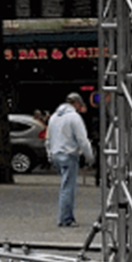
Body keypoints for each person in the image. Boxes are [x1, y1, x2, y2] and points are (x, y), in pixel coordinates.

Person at [45, 93, 94, 227]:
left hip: (56, 154)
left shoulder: (54, 117)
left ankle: (65, 216)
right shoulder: (74, 117)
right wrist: (90, 156)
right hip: (69, 154)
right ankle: (65, 218)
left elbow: (48, 138)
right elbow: (82, 140)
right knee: (68, 187)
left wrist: (50, 154)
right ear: (76, 103)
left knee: (64, 185)